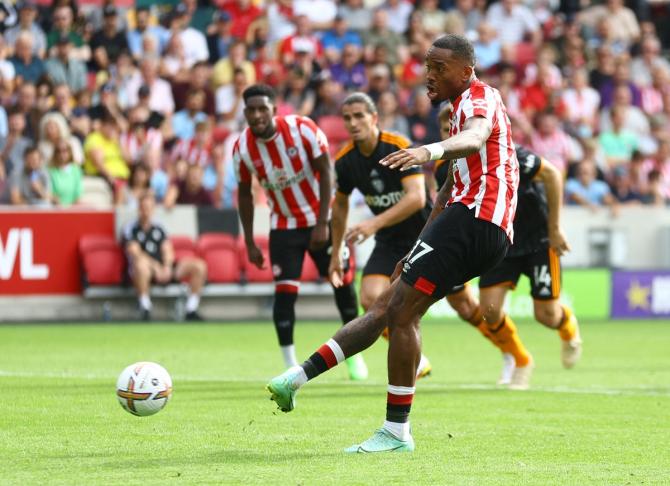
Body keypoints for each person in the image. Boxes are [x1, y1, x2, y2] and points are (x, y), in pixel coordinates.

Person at [267, 34, 519, 453]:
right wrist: (417, 246)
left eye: (440, 67)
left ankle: (396, 431)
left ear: (466, 71)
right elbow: (444, 194)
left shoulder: (479, 98)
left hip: (477, 217)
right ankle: (295, 379)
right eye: (427, 65)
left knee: (400, 313)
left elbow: (475, 138)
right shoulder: (455, 112)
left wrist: (429, 151)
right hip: (468, 223)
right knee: (388, 307)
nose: (429, 75)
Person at [437, 110, 581, 388]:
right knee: (489, 312)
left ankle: (568, 327)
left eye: (455, 128)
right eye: (446, 130)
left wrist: (554, 229)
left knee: (546, 315)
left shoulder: (508, 153)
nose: (451, 134)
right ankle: (521, 360)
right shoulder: (445, 169)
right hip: (501, 239)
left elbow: (552, 175)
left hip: (538, 241)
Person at [233, 84, 364, 380]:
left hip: (322, 219)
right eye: (251, 110)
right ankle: (289, 362)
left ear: (274, 110)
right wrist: (251, 241)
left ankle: (355, 357)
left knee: (342, 285)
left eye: (262, 109)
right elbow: (243, 194)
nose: (257, 116)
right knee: (284, 294)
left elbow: (327, 173)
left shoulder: (302, 129)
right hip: (283, 226)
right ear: (245, 113)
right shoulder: (242, 148)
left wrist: (321, 223)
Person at [329, 91, 433, 378]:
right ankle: (417, 357)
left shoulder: (397, 146)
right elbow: (339, 207)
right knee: (370, 298)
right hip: (389, 240)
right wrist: (337, 251)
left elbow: (416, 197)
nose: (353, 122)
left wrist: (373, 224)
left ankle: (515, 355)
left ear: (374, 118)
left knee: (466, 306)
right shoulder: (346, 160)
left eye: (359, 115)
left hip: (425, 234)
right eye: (347, 118)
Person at [123, 191, 207, 321]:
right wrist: (156, 267)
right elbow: (135, 252)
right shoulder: (131, 228)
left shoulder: (159, 227)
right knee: (140, 265)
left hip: (163, 268)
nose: (146, 211)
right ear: (139, 208)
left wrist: (167, 266)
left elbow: (167, 249)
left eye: (149, 208)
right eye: (144, 207)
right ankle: (145, 307)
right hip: (146, 270)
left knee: (199, 266)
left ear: (153, 209)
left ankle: (191, 308)